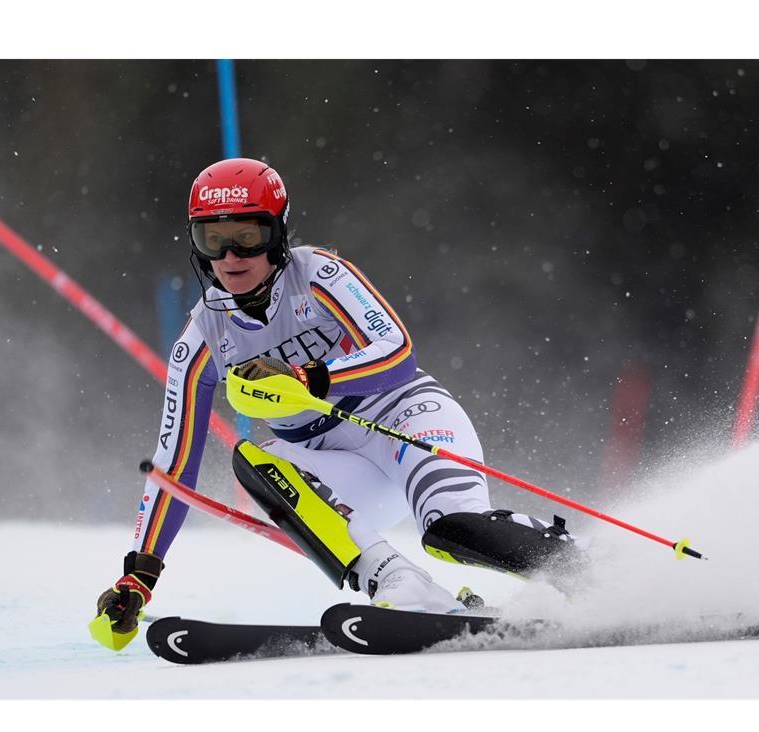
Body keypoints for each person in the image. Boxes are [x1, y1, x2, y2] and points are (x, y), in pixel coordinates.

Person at [95, 158, 586, 642]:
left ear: (277, 233)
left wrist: (309, 377)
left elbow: (397, 352)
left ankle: (588, 572)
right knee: (256, 464)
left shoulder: (318, 273)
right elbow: (174, 462)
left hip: (405, 420)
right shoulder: (202, 336)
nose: (230, 257)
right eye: (212, 240)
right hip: (336, 467)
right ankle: (400, 582)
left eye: (247, 236)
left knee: (452, 531)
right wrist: (139, 574)